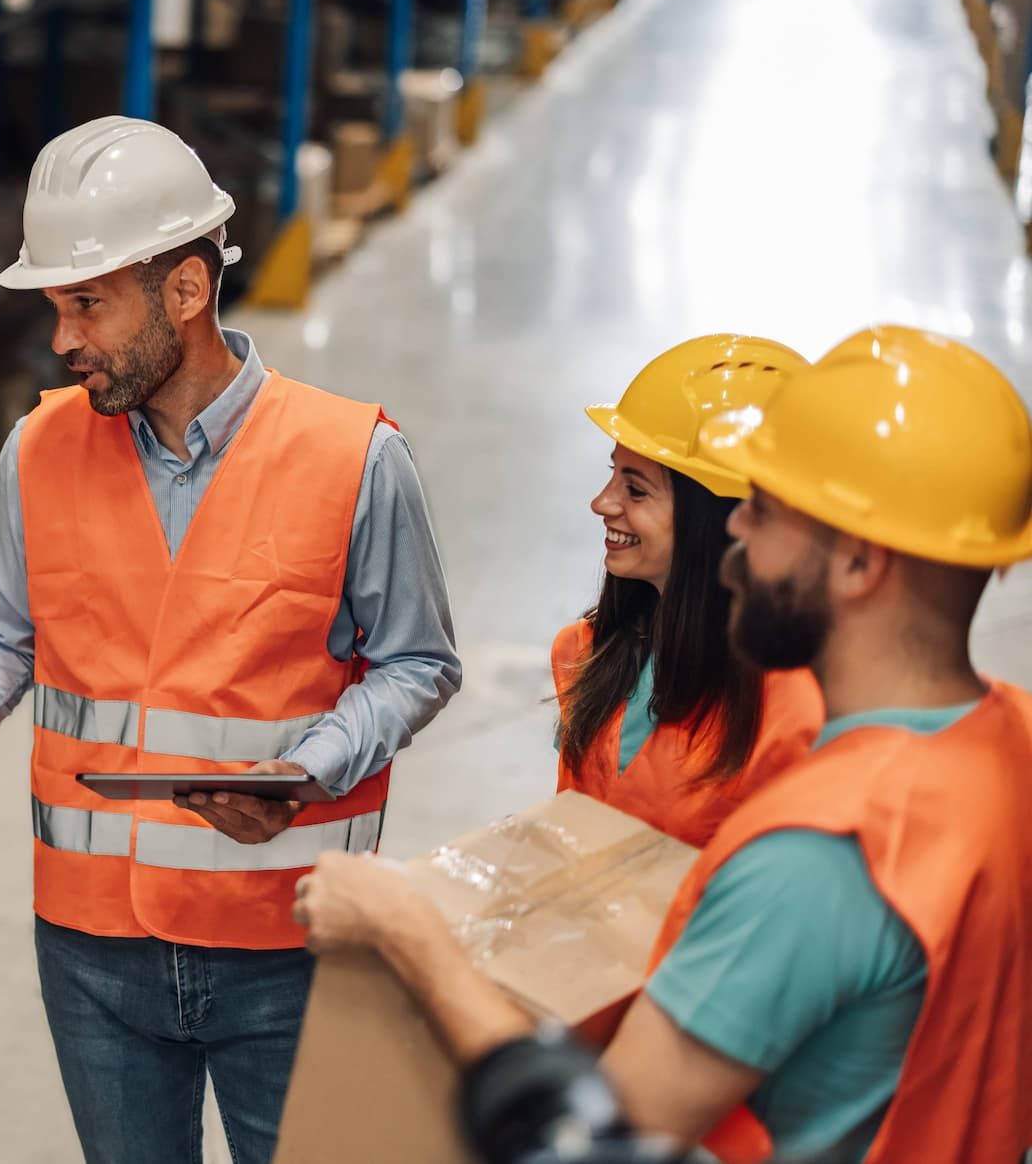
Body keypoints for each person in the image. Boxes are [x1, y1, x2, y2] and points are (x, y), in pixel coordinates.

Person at [0, 116, 463, 1163]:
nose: (62, 338)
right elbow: (0, 635)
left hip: (282, 936)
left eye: (87, 303)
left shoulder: (355, 458)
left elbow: (418, 661)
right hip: (91, 949)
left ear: (186, 291)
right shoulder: (36, 449)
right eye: (58, 305)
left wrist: (309, 767)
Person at [294, 324, 1032, 1163]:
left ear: (859, 563)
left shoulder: (825, 851)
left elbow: (591, 1141)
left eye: (766, 511)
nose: (737, 536)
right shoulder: (1009, 742)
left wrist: (405, 931)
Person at [555, 334, 823, 845]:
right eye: (613, 474)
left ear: (726, 521)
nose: (601, 503)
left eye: (636, 489)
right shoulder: (589, 656)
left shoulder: (794, 715)